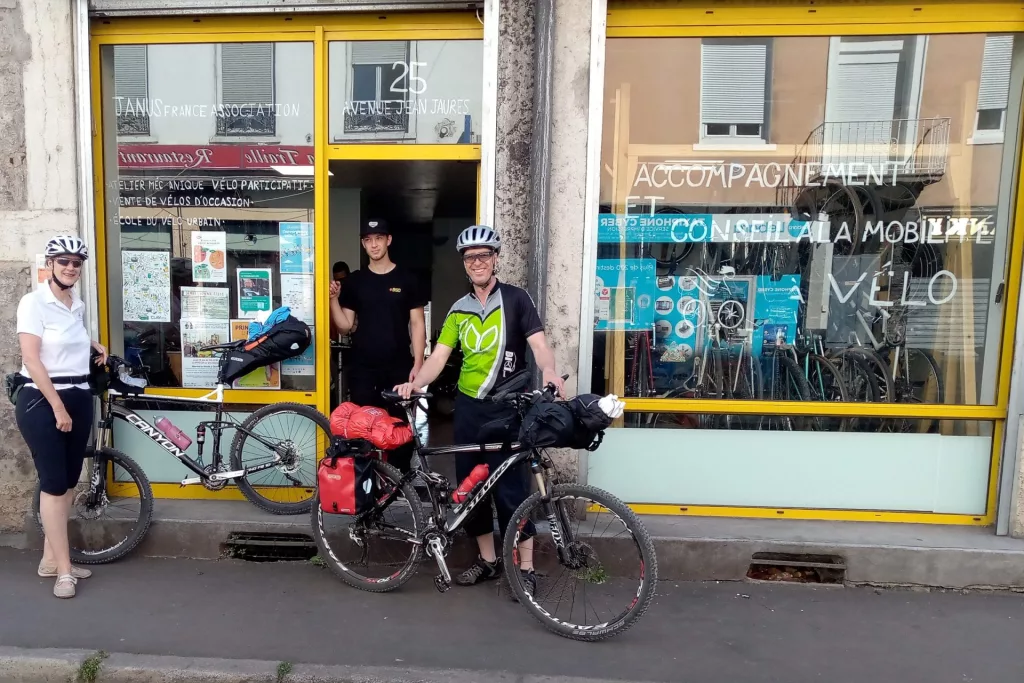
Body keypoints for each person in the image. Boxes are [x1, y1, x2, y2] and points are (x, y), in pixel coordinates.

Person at [394, 225, 564, 598]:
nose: (478, 263)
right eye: (471, 258)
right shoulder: (458, 310)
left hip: (509, 409)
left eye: (484, 256)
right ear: (465, 265)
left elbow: (539, 344)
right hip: (469, 410)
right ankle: (488, 561)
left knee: (513, 491)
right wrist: (415, 383)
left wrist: (549, 370)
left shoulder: (517, 299)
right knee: (471, 491)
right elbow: (438, 356)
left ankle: (525, 568)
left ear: (496, 259)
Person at [15, 235, 107, 599]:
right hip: (42, 399)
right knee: (53, 482)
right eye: (64, 261)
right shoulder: (33, 302)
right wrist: (56, 406)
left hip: (80, 393)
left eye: (76, 263)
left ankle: (51, 559)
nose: (71, 267)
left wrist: (93, 343)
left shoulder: (76, 304)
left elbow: (70, 339)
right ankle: (64, 572)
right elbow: (33, 358)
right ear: (50, 264)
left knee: (69, 481)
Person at [328, 219, 426, 473]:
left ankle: (400, 484)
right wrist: (333, 300)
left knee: (399, 429)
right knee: (362, 430)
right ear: (363, 243)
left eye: (378, 238)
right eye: (368, 240)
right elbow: (345, 326)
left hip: (398, 368)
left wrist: (418, 364)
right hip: (363, 369)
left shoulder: (407, 279)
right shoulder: (355, 282)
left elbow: (417, 324)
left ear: (388, 240)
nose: (374, 244)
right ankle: (368, 487)